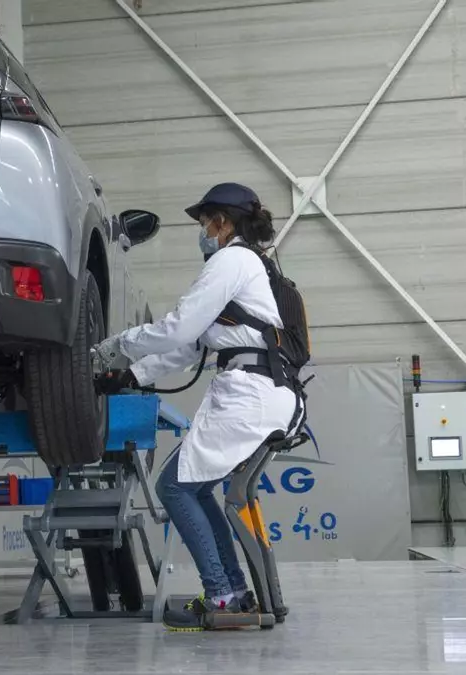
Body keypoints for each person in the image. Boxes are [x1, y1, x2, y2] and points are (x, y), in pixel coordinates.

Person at [92, 183, 298, 631]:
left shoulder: (232, 260)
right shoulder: (246, 266)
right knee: (196, 490)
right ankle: (233, 592)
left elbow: (179, 327)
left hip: (251, 393)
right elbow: (191, 347)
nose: (202, 233)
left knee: (174, 488)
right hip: (263, 390)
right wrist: (132, 375)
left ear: (222, 223)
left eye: (204, 223)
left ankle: (222, 597)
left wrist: (117, 346)